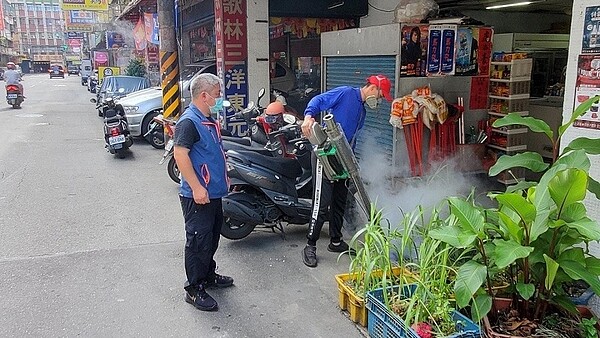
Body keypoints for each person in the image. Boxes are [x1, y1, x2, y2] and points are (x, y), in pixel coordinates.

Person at [300, 74, 393, 268]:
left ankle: (335, 241)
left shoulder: (362, 111)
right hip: (325, 154)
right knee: (322, 201)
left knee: (340, 200)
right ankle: (310, 245)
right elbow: (319, 100)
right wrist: (308, 117)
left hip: (343, 158)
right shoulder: (346, 93)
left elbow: (351, 138)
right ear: (373, 89)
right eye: (382, 95)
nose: (381, 100)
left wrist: (352, 161)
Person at [173, 73, 233, 312]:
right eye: (217, 94)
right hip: (198, 196)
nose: (220, 99)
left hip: (213, 193)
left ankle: (208, 275)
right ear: (204, 96)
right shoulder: (189, 122)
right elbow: (180, 154)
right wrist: (197, 187)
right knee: (198, 242)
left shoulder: (207, 119)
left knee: (211, 238)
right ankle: (194, 289)